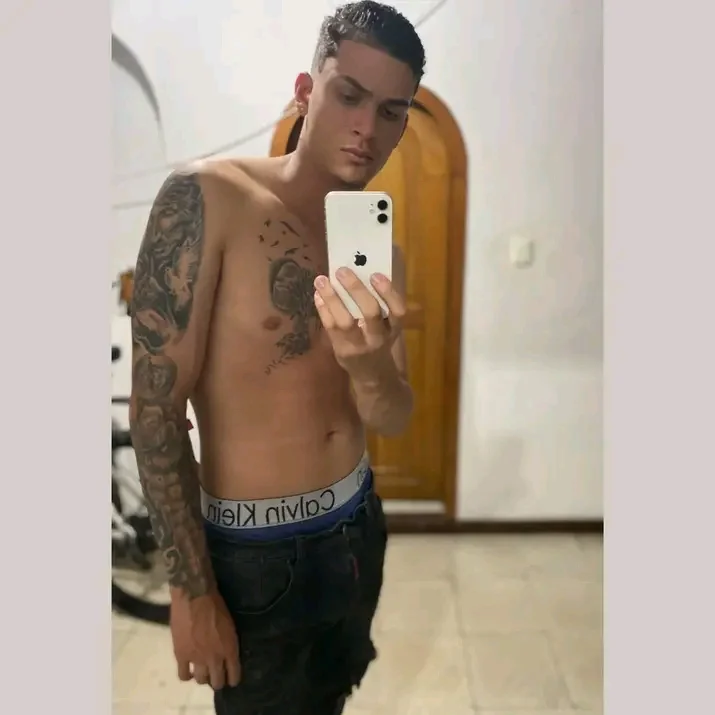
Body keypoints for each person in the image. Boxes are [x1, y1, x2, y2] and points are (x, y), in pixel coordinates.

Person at [128, 2, 425, 713]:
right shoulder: (209, 198)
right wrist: (192, 591)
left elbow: (392, 414)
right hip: (254, 556)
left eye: (391, 111)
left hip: (356, 525)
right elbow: (156, 406)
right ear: (305, 90)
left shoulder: (380, 252)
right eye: (348, 95)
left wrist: (368, 366)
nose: (366, 126)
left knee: (330, 699)